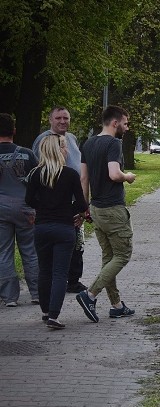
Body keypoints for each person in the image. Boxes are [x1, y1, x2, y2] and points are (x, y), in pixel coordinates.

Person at [76, 105, 137, 323]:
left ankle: (116, 305)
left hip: (96, 208)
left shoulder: (88, 143)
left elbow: (83, 179)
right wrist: (128, 176)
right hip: (113, 209)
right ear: (115, 123)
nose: (127, 128)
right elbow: (114, 174)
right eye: (126, 123)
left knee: (109, 257)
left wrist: (85, 207)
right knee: (122, 256)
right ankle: (90, 294)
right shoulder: (113, 143)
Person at [25, 134, 88, 329]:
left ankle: (44, 311)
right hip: (64, 227)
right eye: (64, 147)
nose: (66, 150)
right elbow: (81, 203)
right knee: (61, 273)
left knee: (44, 270)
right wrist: (72, 211)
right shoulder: (70, 174)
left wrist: (43, 207)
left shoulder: (36, 174)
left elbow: (28, 200)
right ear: (59, 150)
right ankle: (54, 315)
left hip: (42, 227)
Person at [33, 106, 87, 294]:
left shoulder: (71, 139)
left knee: (78, 243)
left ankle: (73, 279)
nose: (63, 121)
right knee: (61, 244)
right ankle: (56, 282)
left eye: (66, 118)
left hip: (74, 200)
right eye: (58, 118)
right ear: (50, 120)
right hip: (55, 204)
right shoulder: (44, 140)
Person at [0, 113, 39, 308]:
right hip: (25, 208)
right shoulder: (27, 153)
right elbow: (38, 180)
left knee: (4, 252)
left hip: (0, 209)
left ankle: (10, 297)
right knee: (30, 250)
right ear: (14, 131)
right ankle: (37, 293)